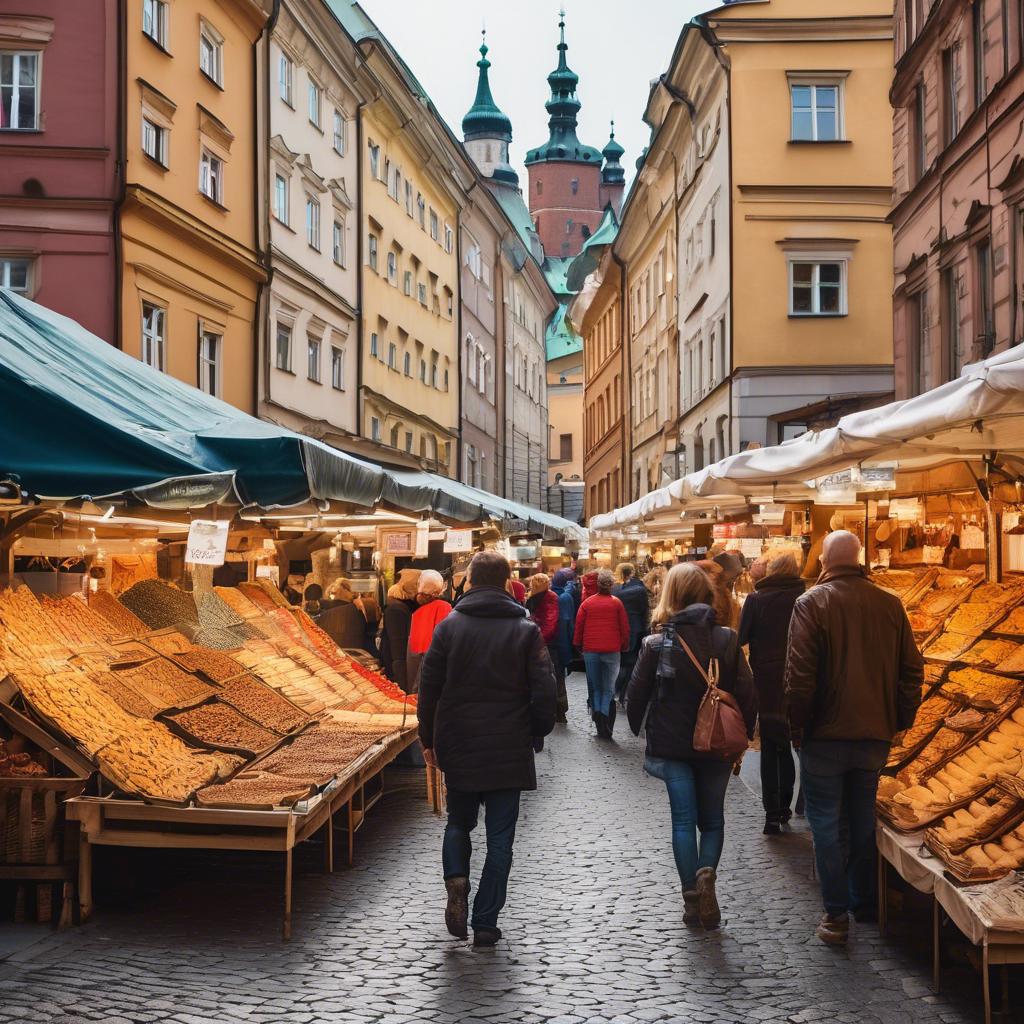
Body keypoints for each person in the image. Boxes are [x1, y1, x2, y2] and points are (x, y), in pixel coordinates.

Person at [784, 530, 923, 946]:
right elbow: (912, 672)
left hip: (824, 737)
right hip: (873, 737)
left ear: (825, 561)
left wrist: (798, 729)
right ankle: (864, 902)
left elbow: (799, 679)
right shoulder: (890, 604)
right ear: (858, 558)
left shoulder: (811, 603)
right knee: (862, 821)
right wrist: (897, 720)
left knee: (825, 823)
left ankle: (836, 915)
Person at [418, 550, 557, 947]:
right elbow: (544, 688)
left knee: (459, 823)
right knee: (500, 838)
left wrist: (427, 738)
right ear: (506, 581)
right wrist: (536, 730)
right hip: (508, 744)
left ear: (470, 581)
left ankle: (456, 882)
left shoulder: (449, 627)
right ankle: (485, 921)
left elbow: (429, 688)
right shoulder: (525, 629)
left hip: (459, 741)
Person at [626, 563, 757, 929]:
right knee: (712, 820)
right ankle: (707, 874)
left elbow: (635, 695)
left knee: (683, 821)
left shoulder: (656, 642)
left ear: (671, 595)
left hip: (671, 745)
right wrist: (744, 735)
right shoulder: (728, 639)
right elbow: (747, 693)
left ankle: (690, 896)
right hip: (716, 744)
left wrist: (638, 731)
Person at [738, 553, 805, 835]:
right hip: (799, 678)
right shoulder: (806, 598)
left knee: (772, 745)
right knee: (790, 743)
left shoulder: (756, 599)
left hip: (766, 680)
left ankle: (772, 813)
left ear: (771, 571)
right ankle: (788, 804)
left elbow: (740, 638)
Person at [573, 568, 630, 738]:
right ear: (611, 585)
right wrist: (625, 645)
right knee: (608, 687)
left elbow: (579, 627)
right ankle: (605, 714)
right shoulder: (617, 603)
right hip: (612, 650)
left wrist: (577, 644)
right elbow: (624, 628)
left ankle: (597, 714)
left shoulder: (587, 603)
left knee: (595, 686)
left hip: (591, 650)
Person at [526, 574, 568, 724]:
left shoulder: (549, 597)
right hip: (540, 641)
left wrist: (538, 640)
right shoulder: (536, 597)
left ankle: (559, 710)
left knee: (555, 676)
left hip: (547, 643)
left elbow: (551, 623)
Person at [406, 570, 452, 692]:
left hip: (415, 666)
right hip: (433, 668)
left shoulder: (416, 613)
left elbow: (413, 651)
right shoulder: (444, 607)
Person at [613, 563, 650, 706]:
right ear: (632, 571)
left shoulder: (615, 590)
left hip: (619, 629)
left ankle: (616, 693)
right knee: (630, 663)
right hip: (635, 628)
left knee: (621, 662)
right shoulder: (640, 589)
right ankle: (623, 694)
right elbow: (644, 610)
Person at [380, 568, 420, 692]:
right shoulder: (397, 609)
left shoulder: (402, 606)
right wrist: (403, 687)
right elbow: (398, 651)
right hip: (398, 675)